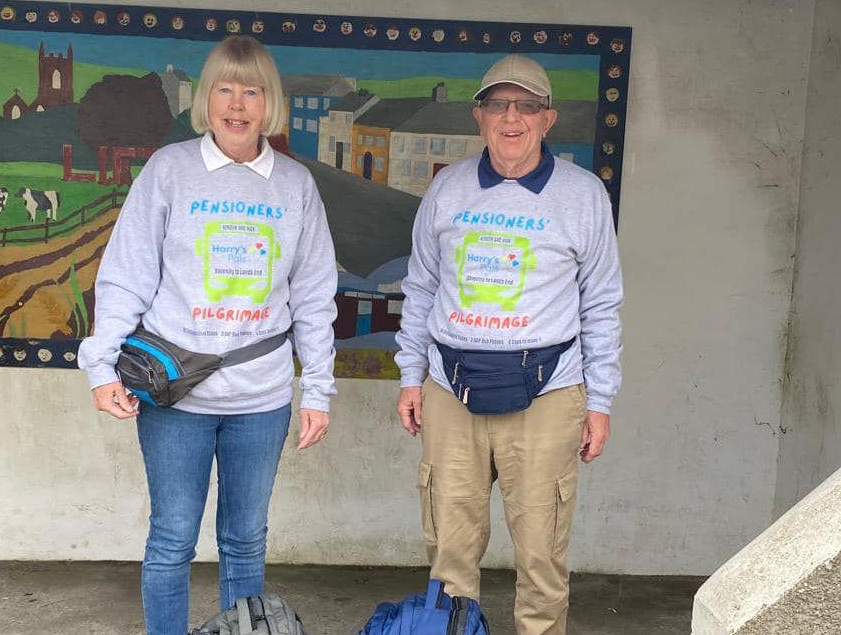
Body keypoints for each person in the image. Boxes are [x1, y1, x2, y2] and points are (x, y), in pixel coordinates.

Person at [77, 35, 338, 635]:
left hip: (261, 398)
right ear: (206, 97)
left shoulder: (295, 186)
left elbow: (315, 297)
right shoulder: (171, 171)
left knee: (245, 541)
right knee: (171, 538)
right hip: (175, 394)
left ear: (270, 102)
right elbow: (125, 275)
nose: (238, 103)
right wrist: (101, 366)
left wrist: (319, 391)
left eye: (252, 90)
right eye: (225, 87)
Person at [394, 54, 622, 635]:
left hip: (549, 393)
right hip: (449, 387)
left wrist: (600, 402)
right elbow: (419, 287)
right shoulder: (447, 188)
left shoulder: (583, 194)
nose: (512, 118)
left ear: (549, 119)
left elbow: (600, 304)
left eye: (527, 106)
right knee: (449, 557)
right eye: (499, 105)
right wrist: (409, 377)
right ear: (479, 116)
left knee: (542, 558)